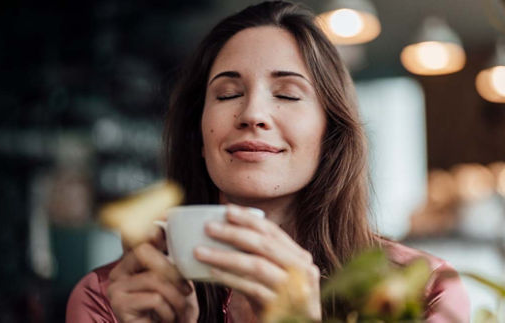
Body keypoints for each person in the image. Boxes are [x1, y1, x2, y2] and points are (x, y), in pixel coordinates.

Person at [66, 1, 470, 322]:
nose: (252, 113)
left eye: (288, 94)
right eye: (226, 94)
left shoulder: (422, 291)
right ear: (199, 137)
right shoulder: (108, 299)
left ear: (329, 136)